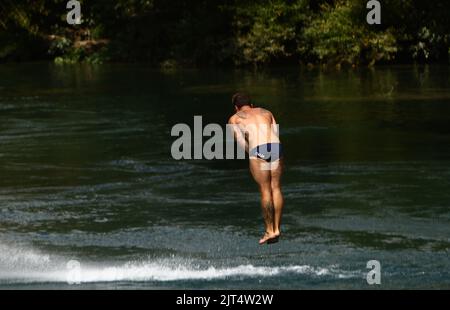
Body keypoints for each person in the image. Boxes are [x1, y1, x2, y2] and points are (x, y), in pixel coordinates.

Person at [228, 93, 284, 245]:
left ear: (236, 108)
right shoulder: (267, 112)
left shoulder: (234, 119)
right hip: (276, 147)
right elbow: (275, 132)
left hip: (258, 149)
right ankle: (277, 229)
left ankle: (269, 230)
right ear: (252, 105)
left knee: (265, 190)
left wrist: (254, 153)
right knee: (276, 188)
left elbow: (241, 143)